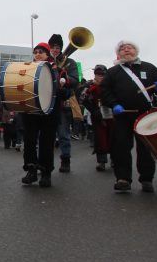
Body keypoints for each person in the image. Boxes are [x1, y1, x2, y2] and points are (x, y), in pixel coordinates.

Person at [99, 40, 157, 193]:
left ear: (135, 51)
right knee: (121, 147)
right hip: (123, 115)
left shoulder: (149, 68)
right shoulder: (113, 72)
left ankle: (146, 179)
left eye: (129, 47)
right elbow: (104, 91)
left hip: (145, 115)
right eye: (122, 49)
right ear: (118, 54)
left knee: (145, 148)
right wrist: (113, 104)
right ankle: (123, 179)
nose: (126, 50)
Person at [19, 43, 59, 187]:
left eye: (41, 52)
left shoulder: (57, 69)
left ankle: (46, 172)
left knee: (46, 143)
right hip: (31, 111)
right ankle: (31, 170)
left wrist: (62, 85)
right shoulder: (28, 68)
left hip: (50, 112)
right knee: (29, 141)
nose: (37, 54)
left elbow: (66, 92)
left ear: (48, 54)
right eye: (35, 52)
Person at [47, 34, 79, 173]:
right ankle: (45, 162)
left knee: (64, 134)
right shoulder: (45, 60)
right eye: (52, 47)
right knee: (46, 134)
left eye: (57, 47)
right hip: (47, 101)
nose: (55, 49)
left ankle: (65, 159)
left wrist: (64, 76)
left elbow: (75, 80)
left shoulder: (69, 61)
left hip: (62, 102)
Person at [81, 64, 112, 171]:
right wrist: (94, 111)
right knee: (100, 139)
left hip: (111, 115)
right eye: (97, 74)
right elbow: (83, 99)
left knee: (113, 137)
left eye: (102, 74)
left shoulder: (111, 85)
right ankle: (101, 161)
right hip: (97, 115)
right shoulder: (89, 86)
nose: (100, 76)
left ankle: (114, 159)